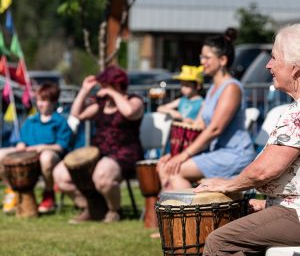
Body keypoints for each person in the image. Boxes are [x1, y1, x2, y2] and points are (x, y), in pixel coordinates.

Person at [194, 24, 300, 255]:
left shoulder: (298, 113)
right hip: (291, 208)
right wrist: (268, 203)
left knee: (219, 242)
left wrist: (226, 184)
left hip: (296, 214)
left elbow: (265, 171)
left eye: (274, 58)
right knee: (242, 246)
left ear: (294, 68)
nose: (268, 65)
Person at [158, 33, 256, 190]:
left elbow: (215, 129)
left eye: (207, 57)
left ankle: (189, 214)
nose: (202, 62)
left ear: (222, 60)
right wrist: (175, 154)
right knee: (167, 165)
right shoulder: (211, 89)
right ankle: (171, 213)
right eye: (201, 57)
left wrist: (183, 156)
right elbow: (199, 124)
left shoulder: (231, 88)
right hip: (216, 153)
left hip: (234, 154)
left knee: (176, 170)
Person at [53, 65, 144, 223]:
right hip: (99, 153)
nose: (101, 89)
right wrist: (84, 90)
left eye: (105, 85)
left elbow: (130, 112)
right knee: (60, 174)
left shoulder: (134, 100)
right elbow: (76, 114)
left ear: (116, 84)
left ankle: (113, 210)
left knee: (102, 175)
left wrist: (113, 93)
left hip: (125, 154)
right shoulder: (102, 104)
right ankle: (93, 206)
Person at [0, 82, 73, 214]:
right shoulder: (31, 120)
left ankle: (49, 194)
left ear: (54, 102)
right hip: (28, 155)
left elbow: (62, 146)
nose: (40, 104)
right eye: (39, 100)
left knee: (46, 157)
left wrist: (43, 147)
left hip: (51, 158)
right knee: (1, 155)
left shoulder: (60, 121)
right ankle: (13, 190)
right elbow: (22, 140)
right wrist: (21, 144)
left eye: (44, 101)